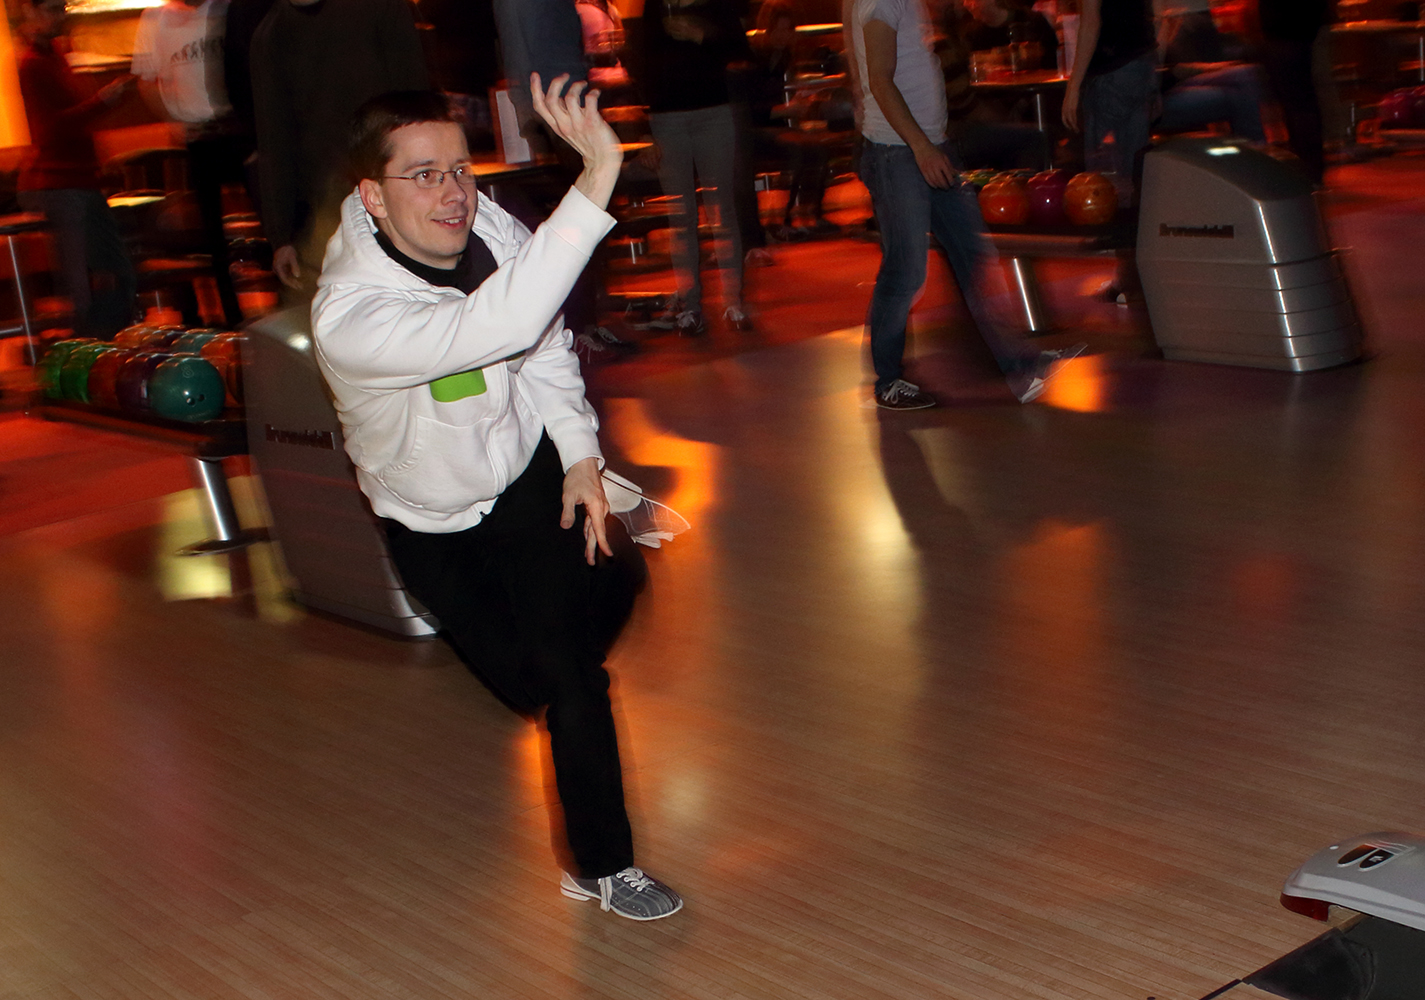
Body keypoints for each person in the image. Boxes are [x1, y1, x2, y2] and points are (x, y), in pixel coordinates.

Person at [310, 81, 682, 921]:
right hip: (431, 523)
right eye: (423, 176)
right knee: (530, 683)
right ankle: (577, 629)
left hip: (525, 477)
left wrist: (580, 456)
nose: (453, 194)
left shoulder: (490, 229)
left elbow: (542, 342)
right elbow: (497, 329)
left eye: (460, 169)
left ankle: (605, 867)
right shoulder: (352, 316)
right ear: (372, 196)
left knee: (574, 676)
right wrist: (596, 177)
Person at [846, 0, 1073, 409]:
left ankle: (1019, 363)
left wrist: (931, 141)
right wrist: (921, 147)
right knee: (905, 271)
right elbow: (879, 79)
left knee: (972, 254)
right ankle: (888, 380)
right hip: (899, 154)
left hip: (931, 147)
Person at [249, 0, 428, 295]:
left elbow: (416, 101)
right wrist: (281, 237)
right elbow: (274, 140)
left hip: (392, 192)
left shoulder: (378, 8)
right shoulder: (271, 35)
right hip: (329, 213)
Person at [16, 0, 136, 340]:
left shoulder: (53, 56)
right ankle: (94, 345)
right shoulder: (34, 63)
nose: (60, 17)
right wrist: (103, 100)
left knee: (108, 271)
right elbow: (51, 130)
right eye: (52, 9)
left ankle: (105, 343)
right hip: (60, 181)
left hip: (74, 179)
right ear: (31, 11)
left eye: (62, 8)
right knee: (87, 277)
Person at [640, 0, 754, 334]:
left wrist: (702, 35)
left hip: (713, 111)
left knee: (723, 210)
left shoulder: (716, 5)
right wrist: (645, 128)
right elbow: (643, 62)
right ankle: (690, 304)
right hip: (666, 117)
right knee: (681, 214)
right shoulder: (656, 5)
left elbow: (741, 50)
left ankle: (733, 301)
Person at [132, 0, 248, 325]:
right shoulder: (156, 19)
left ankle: (276, 304)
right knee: (212, 237)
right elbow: (146, 81)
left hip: (236, 129)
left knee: (267, 221)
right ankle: (232, 315)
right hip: (199, 138)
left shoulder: (226, 8)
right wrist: (174, 120)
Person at [1061, 0, 1158, 200]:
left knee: (1104, 179)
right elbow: (1154, 14)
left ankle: (1113, 216)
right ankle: (1134, 216)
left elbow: (1091, 23)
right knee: (1133, 168)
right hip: (1141, 63)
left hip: (1112, 66)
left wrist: (1073, 86)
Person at [1258, 0, 1330, 185]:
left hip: (1287, 30)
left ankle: (1308, 168)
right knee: (1301, 103)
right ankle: (1310, 167)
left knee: (1297, 105)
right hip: (1297, 29)